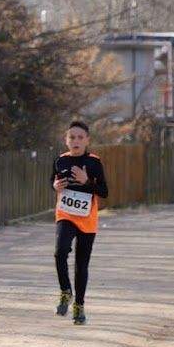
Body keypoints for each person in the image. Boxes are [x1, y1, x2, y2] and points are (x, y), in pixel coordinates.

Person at [52, 120, 108, 325]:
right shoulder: (60, 160)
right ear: (66, 140)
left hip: (87, 219)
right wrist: (56, 185)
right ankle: (65, 291)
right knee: (60, 252)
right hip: (66, 215)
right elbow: (54, 182)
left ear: (87, 140)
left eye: (80, 137)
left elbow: (104, 192)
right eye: (71, 137)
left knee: (81, 265)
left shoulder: (94, 162)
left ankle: (79, 306)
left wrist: (87, 181)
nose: (75, 141)